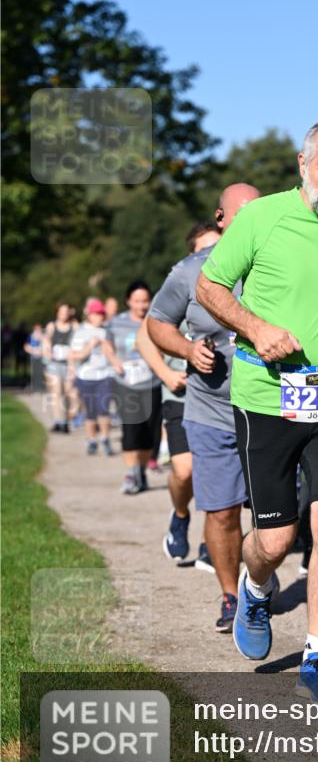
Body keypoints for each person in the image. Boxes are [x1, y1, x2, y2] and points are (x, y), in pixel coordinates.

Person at [197, 116, 318, 704]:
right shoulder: (261, 218)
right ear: (302, 165)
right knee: (276, 540)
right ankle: (256, 588)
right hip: (267, 399)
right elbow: (210, 286)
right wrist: (255, 327)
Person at [147, 186, 261, 633]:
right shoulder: (191, 271)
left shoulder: (278, 266)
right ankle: (232, 595)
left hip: (271, 408)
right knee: (221, 511)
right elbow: (157, 323)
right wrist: (188, 351)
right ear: (220, 218)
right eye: (242, 215)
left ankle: (260, 581)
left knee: (281, 516)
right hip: (211, 408)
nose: (251, 224)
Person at [136, 220, 223, 574]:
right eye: (204, 248)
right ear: (192, 253)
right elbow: (144, 338)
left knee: (218, 473)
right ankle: (181, 513)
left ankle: (211, 542)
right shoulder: (180, 283)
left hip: (221, 394)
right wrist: (166, 373)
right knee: (185, 471)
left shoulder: (238, 285)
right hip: (181, 392)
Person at [106, 281, 162, 494]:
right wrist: (114, 361)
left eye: (145, 300)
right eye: (137, 301)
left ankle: (141, 470)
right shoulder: (116, 322)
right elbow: (106, 343)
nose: (141, 305)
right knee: (130, 428)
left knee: (149, 432)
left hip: (152, 381)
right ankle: (130, 474)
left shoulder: (157, 320)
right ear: (128, 301)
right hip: (126, 382)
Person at [69, 299, 115, 456]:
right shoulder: (81, 331)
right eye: (97, 314)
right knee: (90, 412)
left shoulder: (106, 331)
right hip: (86, 377)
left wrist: (107, 346)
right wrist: (90, 345)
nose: (100, 317)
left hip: (105, 375)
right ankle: (91, 440)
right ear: (89, 315)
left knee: (104, 409)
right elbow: (75, 355)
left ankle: (105, 438)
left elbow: (112, 353)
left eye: (102, 313)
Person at [42, 303, 79, 433]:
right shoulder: (52, 326)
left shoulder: (74, 326)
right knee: (57, 393)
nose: (63, 314)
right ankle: (59, 422)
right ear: (57, 312)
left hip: (69, 364)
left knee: (69, 393)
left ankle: (69, 418)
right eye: (61, 311)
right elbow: (46, 341)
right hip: (54, 364)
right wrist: (47, 351)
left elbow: (79, 341)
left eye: (66, 311)